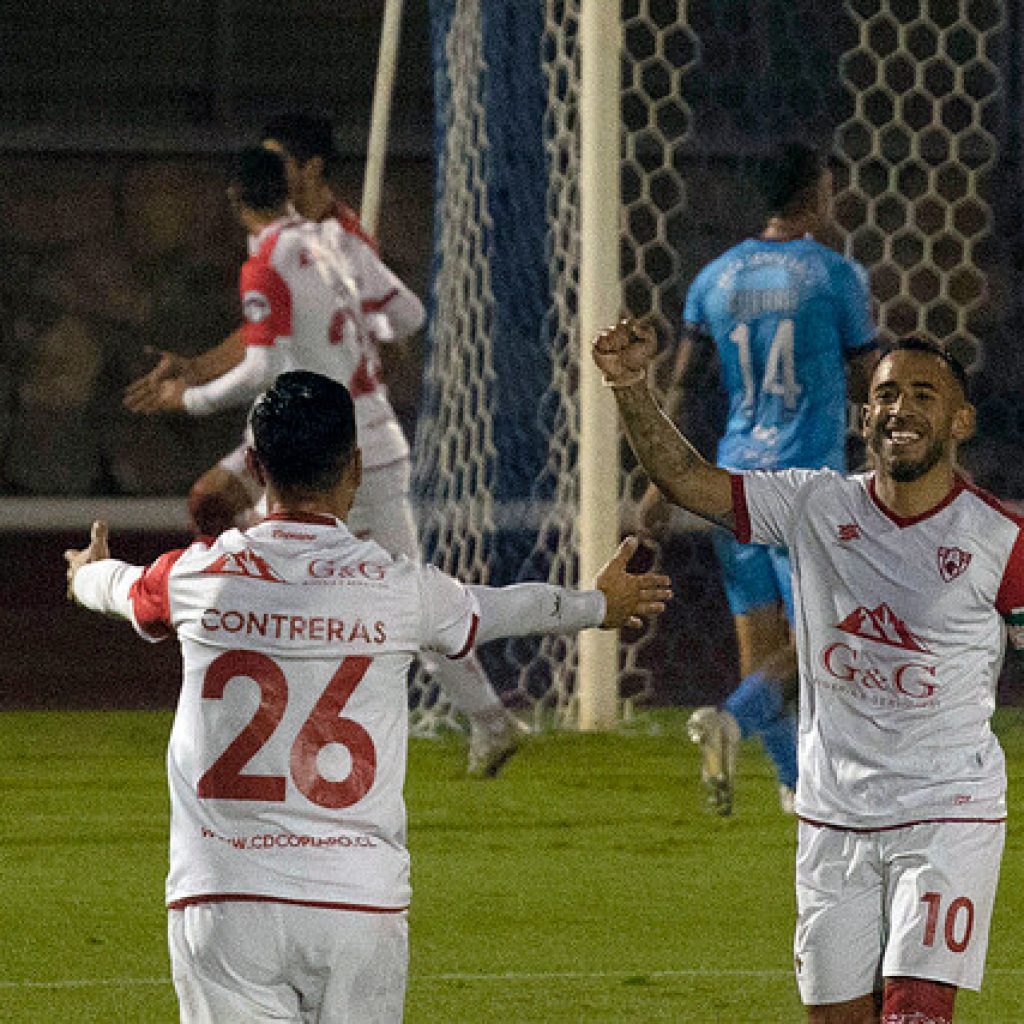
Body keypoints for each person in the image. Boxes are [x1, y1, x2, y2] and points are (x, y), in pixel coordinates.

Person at [66, 370, 672, 1023]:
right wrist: (596, 605)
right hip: (356, 903)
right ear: (355, 467)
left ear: (256, 467)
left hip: (222, 898)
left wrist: (85, 572)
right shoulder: (399, 587)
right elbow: (502, 609)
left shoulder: (194, 574)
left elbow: (117, 586)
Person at [594, 320, 1020, 1023]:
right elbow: (685, 480)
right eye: (887, 396)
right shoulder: (816, 505)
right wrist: (628, 384)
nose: (901, 409)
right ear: (866, 416)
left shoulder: (998, 541)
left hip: (947, 814)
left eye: (923, 395)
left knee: (915, 1011)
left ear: (960, 420)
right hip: (832, 817)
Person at [124, 141, 524, 777]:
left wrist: (189, 399)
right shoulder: (333, 239)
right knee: (216, 505)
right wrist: (354, 346)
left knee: (312, 577)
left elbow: (266, 363)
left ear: (236, 203)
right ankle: (481, 717)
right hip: (338, 430)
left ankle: (274, 704)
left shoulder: (263, 265)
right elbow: (407, 313)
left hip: (335, 442)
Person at [641, 141, 879, 815]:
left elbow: (681, 389)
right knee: (820, 650)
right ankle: (732, 723)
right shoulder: (836, 276)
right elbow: (872, 379)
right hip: (805, 486)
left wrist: (660, 486)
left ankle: (794, 787)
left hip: (732, 482)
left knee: (761, 645)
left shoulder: (713, 279)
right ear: (813, 193)